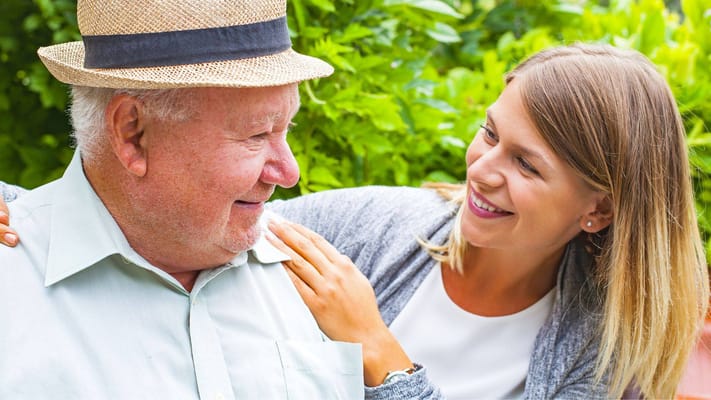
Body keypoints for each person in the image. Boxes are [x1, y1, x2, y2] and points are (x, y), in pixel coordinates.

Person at [1, 43, 708, 400]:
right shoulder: (380, 227)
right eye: (489, 135)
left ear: (599, 209)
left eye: (527, 165)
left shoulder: (607, 350)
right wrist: (21, 209)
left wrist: (381, 355)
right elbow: (186, 216)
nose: (483, 170)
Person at [0, 0, 366, 398]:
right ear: (132, 133)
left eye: (285, 129)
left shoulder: (327, 283)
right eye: (256, 135)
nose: (288, 172)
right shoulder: (12, 285)